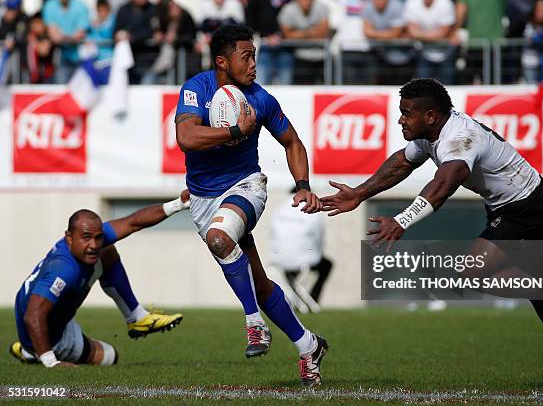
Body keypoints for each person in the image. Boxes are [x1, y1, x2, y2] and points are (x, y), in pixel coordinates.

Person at [320, 78, 543, 389]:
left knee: (475, 272)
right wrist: (359, 193)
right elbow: (401, 164)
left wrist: (401, 220)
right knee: (533, 286)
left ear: (430, 115)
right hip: (515, 201)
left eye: (406, 113)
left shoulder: (459, 138)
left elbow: (443, 187)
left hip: (524, 204)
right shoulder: (431, 133)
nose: (400, 119)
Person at [174, 24, 328, 387]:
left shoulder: (261, 100)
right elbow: (186, 137)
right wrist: (233, 132)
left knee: (219, 238)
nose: (254, 64)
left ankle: (253, 322)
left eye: (255, 55)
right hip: (202, 198)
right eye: (247, 56)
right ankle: (309, 346)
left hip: (246, 187)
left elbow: (293, 143)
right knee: (258, 281)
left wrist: (303, 185)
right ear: (222, 61)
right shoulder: (197, 89)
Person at [10, 191, 190, 367]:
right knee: (110, 356)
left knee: (107, 251)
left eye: (98, 237)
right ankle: (32, 352)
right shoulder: (63, 269)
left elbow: (133, 222)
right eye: (87, 238)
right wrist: (51, 362)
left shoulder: (83, 244)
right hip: (49, 336)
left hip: (50, 318)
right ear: (69, 238)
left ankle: (136, 317)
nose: (93, 245)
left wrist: (177, 205)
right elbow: (33, 315)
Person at [270, 187, 333, 305]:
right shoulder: (312, 210)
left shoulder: (278, 210)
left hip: (281, 259)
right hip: (307, 259)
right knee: (327, 265)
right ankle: (313, 299)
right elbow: (319, 235)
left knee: (290, 270)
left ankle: (297, 301)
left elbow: (273, 234)